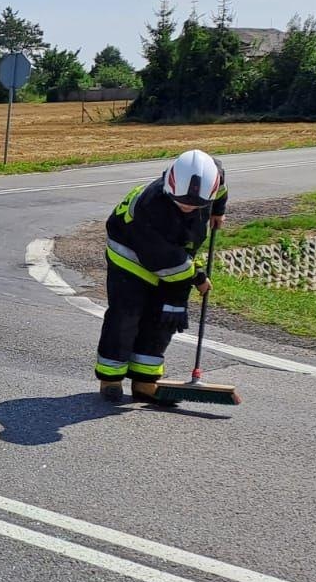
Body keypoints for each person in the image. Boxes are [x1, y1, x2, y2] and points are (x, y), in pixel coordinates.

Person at [96, 149, 230, 403]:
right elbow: (169, 263)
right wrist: (197, 278)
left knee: (161, 322)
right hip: (130, 257)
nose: (189, 206)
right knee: (126, 316)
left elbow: (221, 188)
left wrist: (217, 211)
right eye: (182, 201)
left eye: (197, 204)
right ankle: (110, 379)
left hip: (173, 257)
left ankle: (145, 383)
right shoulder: (151, 207)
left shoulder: (212, 179)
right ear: (170, 184)